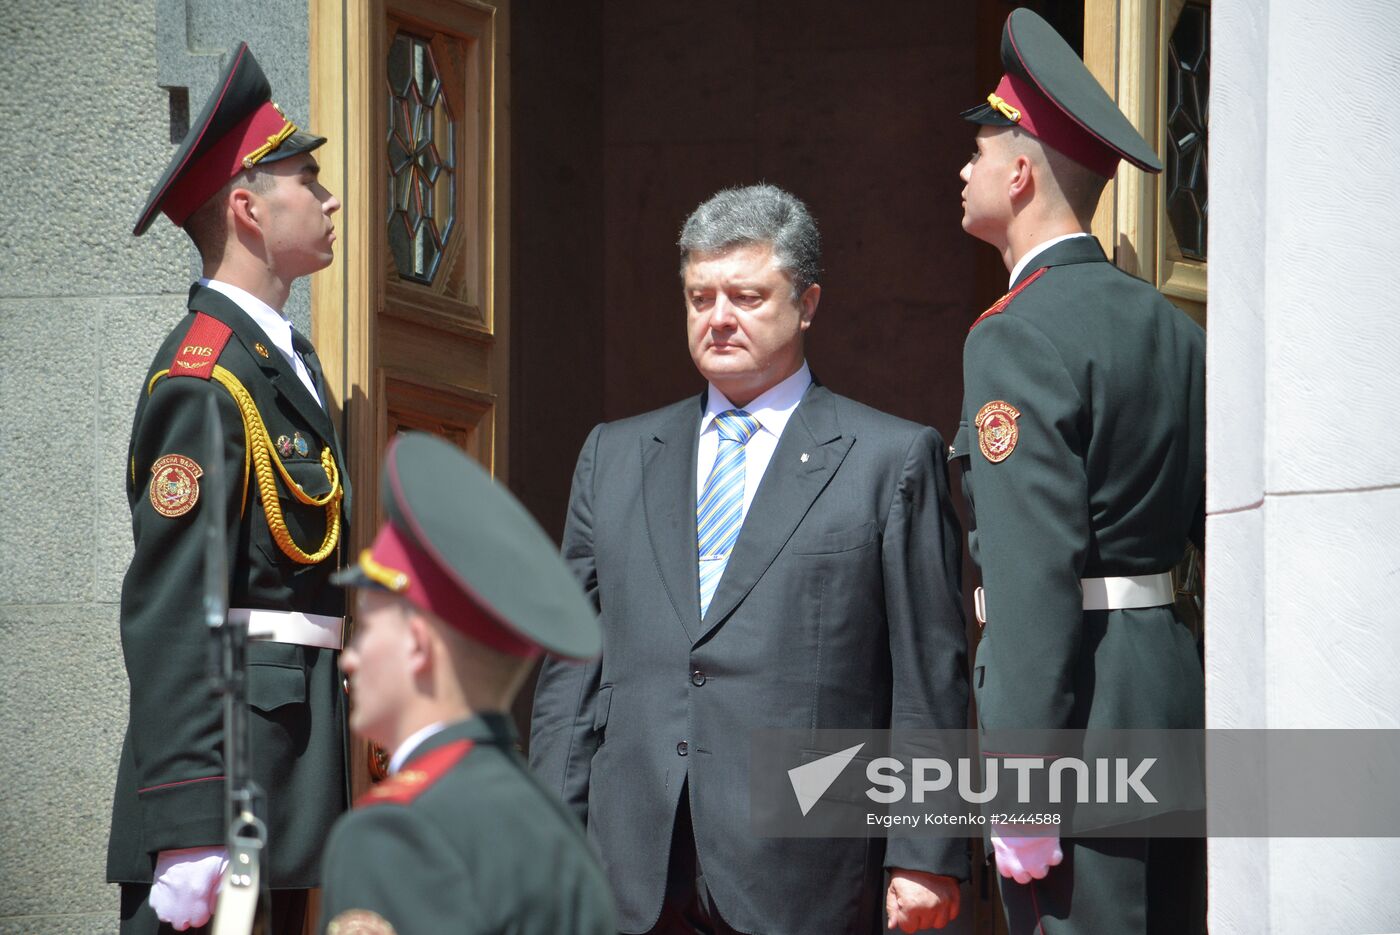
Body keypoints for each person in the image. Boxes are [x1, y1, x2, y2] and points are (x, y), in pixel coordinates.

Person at [530, 183, 969, 934]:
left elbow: (929, 676)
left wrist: (926, 851)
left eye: (746, 295)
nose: (719, 318)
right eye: (700, 297)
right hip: (632, 866)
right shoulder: (616, 454)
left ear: (807, 303)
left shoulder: (889, 459)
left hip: (804, 867)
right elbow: (572, 673)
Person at [952, 9, 1206, 934]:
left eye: (979, 149)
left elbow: (1032, 578)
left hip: (1082, 726)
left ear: (1020, 173)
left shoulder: (1014, 335)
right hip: (1170, 699)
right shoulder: (1175, 332)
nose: (965, 168)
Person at [108, 42, 351, 933]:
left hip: (284, 762)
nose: (330, 198)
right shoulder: (204, 378)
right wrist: (186, 824)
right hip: (225, 787)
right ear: (247, 207)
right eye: (308, 177)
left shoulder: (282, 364)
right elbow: (174, 603)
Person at [318, 432, 616, 935]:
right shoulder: (555, 828)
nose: (349, 658)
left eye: (366, 628)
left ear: (417, 645)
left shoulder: (395, 832)